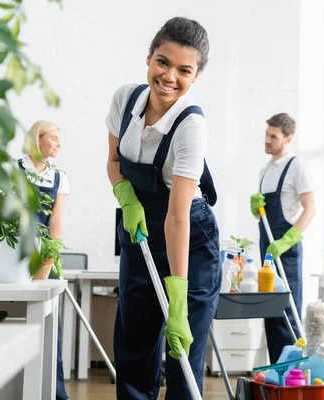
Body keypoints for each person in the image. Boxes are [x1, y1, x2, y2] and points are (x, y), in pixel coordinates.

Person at [105, 17, 221, 400]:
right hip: (139, 232)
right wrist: (126, 196)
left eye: (184, 70)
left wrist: (177, 301)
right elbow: (113, 161)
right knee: (134, 346)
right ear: (149, 58)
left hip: (189, 240)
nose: (169, 76)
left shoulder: (191, 125)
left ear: (195, 76)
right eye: (162, 62)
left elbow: (177, 217)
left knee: (181, 353)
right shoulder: (125, 99)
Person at [250, 113, 316, 364]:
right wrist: (255, 209)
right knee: (271, 307)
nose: (267, 140)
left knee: (288, 310)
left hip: (285, 249)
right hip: (267, 246)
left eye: (273, 136)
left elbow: (309, 208)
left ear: (288, 139)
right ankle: (277, 369)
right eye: (266, 134)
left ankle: (293, 369)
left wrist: (288, 240)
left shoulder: (296, 166)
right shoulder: (265, 171)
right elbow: (262, 217)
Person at [20, 120, 70, 400]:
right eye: (54, 138)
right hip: (14, 256)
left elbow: (56, 222)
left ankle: (54, 394)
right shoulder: (13, 169)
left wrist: (47, 264)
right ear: (37, 139)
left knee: (50, 332)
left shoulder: (59, 176)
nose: (58, 144)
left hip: (43, 260)